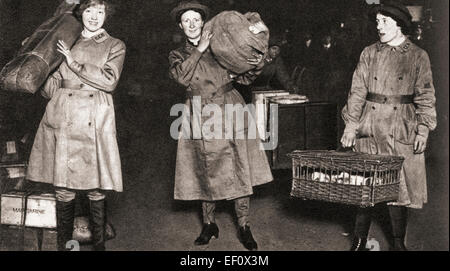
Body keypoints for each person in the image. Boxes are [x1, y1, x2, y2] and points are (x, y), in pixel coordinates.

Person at [168, 1, 273, 251]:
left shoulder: (221, 46)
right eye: (187, 21)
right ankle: (208, 223)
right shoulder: (177, 54)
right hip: (198, 111)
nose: (192, 24)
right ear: (181, 26)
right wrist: (200, 48)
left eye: (196, 19)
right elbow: (182, 77)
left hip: (229, 107)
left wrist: (257, 54)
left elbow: (247, 74)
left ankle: (244, 226)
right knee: (204, 166)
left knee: (239, 165)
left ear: (203, 22)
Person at [26, 0, 126, 251]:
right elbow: (50, 90)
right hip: (62, 115)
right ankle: (66, 247)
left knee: (95, 189)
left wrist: (74, 63)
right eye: (89, 10)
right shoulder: (64, 41)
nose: (94, 16)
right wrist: (38, 63)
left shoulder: (114, 45)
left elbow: (109, 80)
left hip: (94, 116)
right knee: (63, 191)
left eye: (100, 11)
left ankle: (99, 247)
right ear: (80, 13)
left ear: (107, 14)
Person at [341, 1, 436, 251]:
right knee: (366, 187)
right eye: (377, 21)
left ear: (399, 25)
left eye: (384, 21)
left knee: (398, 188)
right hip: (370, 126)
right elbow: (357, 92)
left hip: (401, 125)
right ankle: (359, 242)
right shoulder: (369, 52)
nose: (378, 26)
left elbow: (425, 96)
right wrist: (351, 125)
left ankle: (397, 244)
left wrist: (423, 129)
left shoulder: (417, 56)